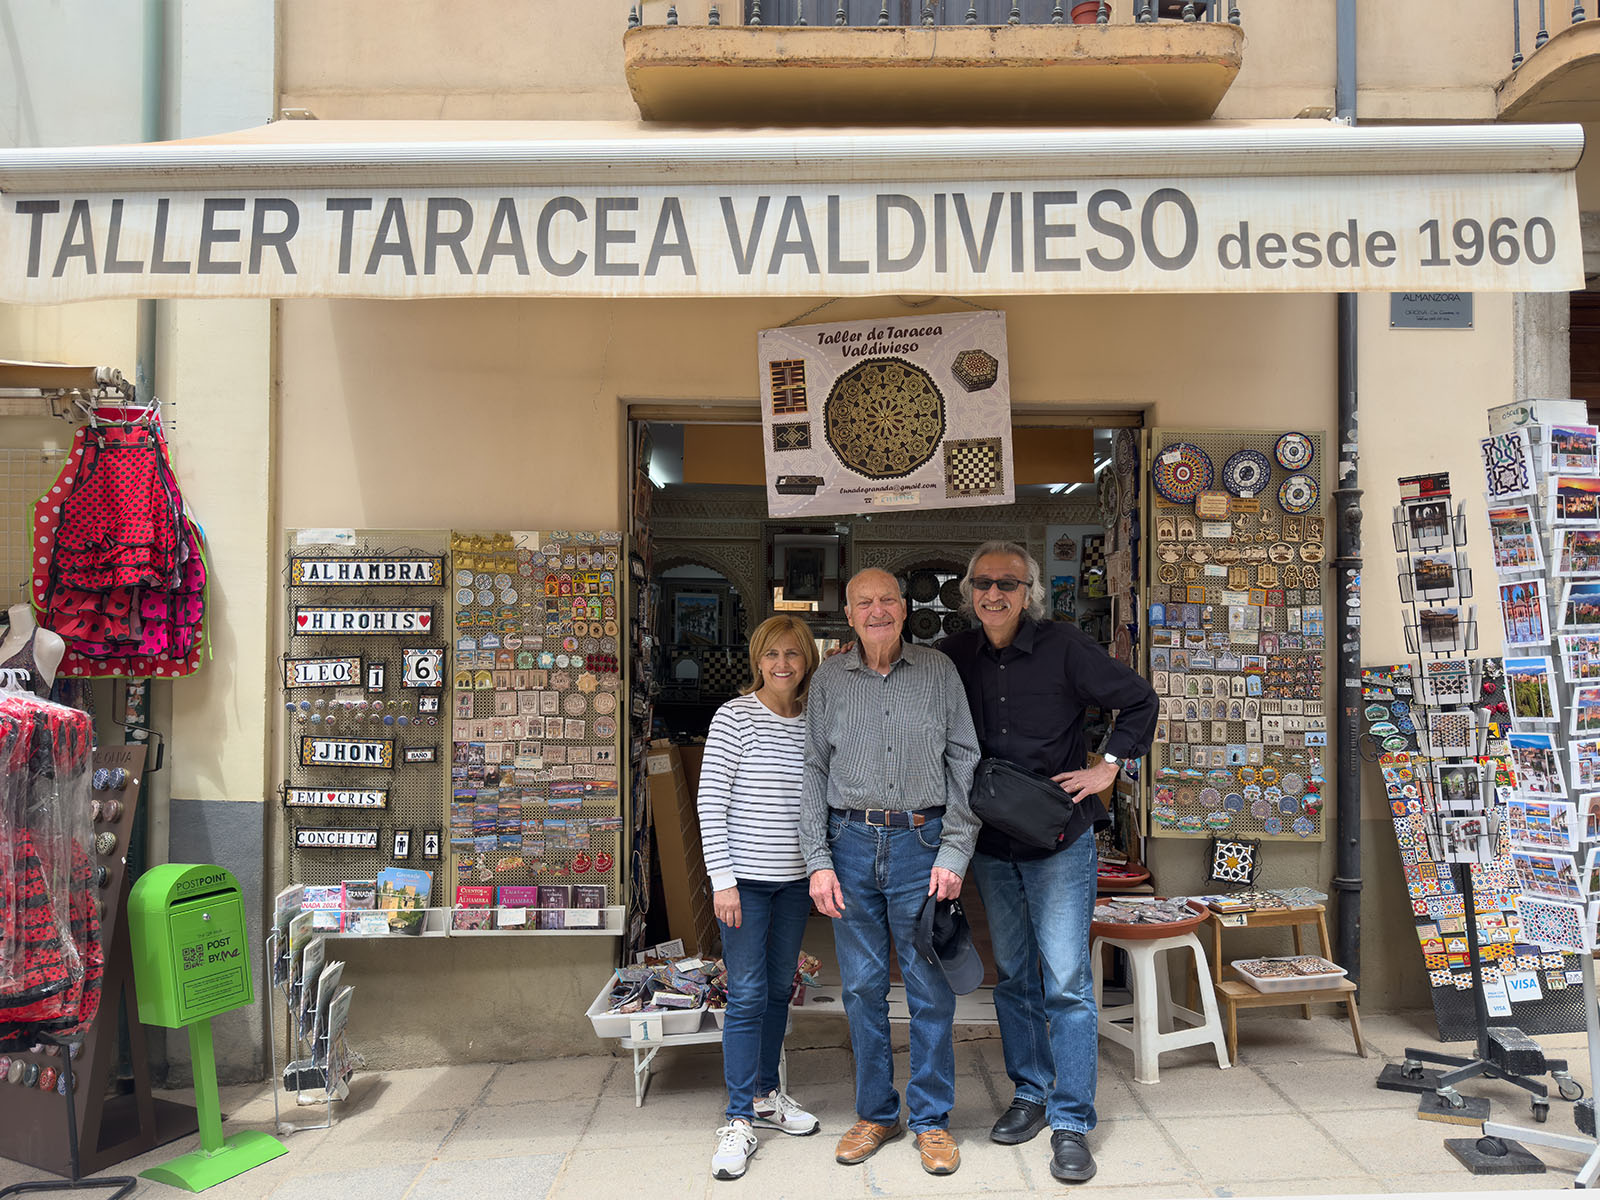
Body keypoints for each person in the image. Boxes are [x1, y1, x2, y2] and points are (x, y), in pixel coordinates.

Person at [937, 541, 1157, 1184]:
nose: (994, 594)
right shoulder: (953, 654)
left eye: (1008, 583)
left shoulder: (1065, 646)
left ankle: (1071, 1120)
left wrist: (1107, 767)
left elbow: (1139, 700)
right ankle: (1029, 1094)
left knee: (1065, 982)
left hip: (1060, 842)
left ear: (1028, 590)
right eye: (983, 583)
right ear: (969, 591)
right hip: (993, 845)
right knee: (1013, 977)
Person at [798, 568, 980, 1177]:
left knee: (929, 989)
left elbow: (965, 761)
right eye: (863, 603)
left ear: (904, 609)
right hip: (848, 843)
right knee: (861, 988)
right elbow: (813, 775)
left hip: (921, 842)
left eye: (886, 601)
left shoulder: (938, 672)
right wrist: (818, 862)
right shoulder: (827, 680)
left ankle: (931, 1119)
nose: (876, 611)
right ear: (848, 615)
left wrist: (954, 851)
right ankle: (877, 1112)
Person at [696, 615, 825, 1182]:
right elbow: (710, 803)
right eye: (772, 654)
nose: (783, 664)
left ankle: (768, 1096)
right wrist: (721, 880)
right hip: (744, 884)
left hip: (795, 881)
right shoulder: (735, 717)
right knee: (746, 994)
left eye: (793, 654)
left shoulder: (815, 720)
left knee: (778, 989)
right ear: (757, 659)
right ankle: (737, 1115)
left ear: (808, 661)